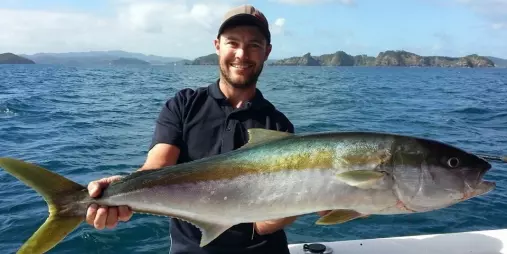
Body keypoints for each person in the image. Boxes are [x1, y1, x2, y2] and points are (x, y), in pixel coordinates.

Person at [85, 4, 329, 254]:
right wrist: (122, 189)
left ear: (266, 52)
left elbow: (264, 225)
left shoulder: (277, 125)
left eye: (254, 45)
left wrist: (315, 197)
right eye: (232, 43)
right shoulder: (184, 104)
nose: (241, 54)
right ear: (217, 46)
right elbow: (157, 169)